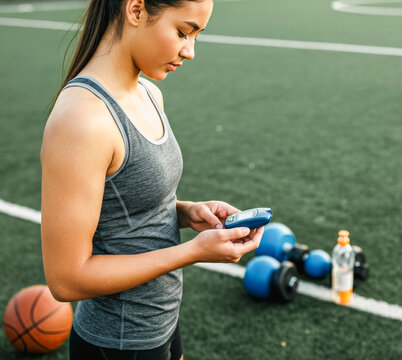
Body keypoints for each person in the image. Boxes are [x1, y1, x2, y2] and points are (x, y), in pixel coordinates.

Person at [40, 0, 264, 359]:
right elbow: (66, 279)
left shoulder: (149, 93)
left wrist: (186, 211)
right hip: (116, 342)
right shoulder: (82, 121)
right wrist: (192, 252)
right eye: (182, 32)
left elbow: (122, 205)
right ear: (136, 9)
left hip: (161, 323)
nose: (189, 52)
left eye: (196, 36)